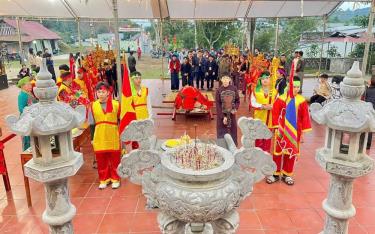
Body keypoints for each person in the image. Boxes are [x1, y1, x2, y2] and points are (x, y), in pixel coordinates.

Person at [269, 76, 311, 185]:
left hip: (294, 132)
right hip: (281, 131)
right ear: (288, 86)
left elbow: (305, 117)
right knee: (277, 152)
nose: (296, 89)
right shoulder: (280, 99)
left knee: (290, 152)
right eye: (294, 87)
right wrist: (276, 128)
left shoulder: (301, 101)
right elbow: (275, 113)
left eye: (298, 87)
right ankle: (275, 173)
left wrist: (302, 134)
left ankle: (287, 174)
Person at [89, 82, 121, 189]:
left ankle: (115, 178)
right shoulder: (93, 106)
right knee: (101, 159)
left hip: (113, 134)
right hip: (99, 135)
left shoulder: (116, 104)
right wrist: (92, 138)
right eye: (99, 92)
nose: (101, 94)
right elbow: (91, 124)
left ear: (108, 92)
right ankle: (104, 179)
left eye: (103, 92)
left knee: (115, 158)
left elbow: (120, 120)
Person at [250, 71, 276, 153]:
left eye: (267, 78)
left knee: (267, 139)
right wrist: (263, 106)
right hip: (259, 120)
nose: (265, 80)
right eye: (263, 78)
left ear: (270, 79)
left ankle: (266, 155)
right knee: (258, 139)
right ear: (260, 80)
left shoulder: (275, 91)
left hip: (270, 120)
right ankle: (258, 155)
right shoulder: (256, 91)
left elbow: (278, 103)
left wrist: (273, 106)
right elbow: (252, 102)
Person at [216, 76, 240, 145]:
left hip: (231, 113)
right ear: (221, 80)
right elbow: (218, 104)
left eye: (227, 78)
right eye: (223, 78)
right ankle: (222, 145)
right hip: (222, 114)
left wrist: (235, 108)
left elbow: (237, 101)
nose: (225, 80)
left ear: (229, 79)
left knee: (233, 130)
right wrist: (223, 117)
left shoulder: (234, 88)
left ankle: (234, 144)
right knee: (221, 130)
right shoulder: (219, 90)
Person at [17, 76, 37, 151]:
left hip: (32, 118)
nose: (30, 86)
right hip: (26, 120)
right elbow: (21, 108)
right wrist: (30, 112)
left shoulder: (29, 94)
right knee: (27, 138)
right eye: (28, 85)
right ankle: (27, 152)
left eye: (30, 84)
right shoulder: (22, 95)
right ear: (22, 86)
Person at [365, 75, 375, 150]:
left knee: (366, 126)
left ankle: (364, 143)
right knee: (371, 127)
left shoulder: (367, 90)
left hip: (368, 109)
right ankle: (368, 144)